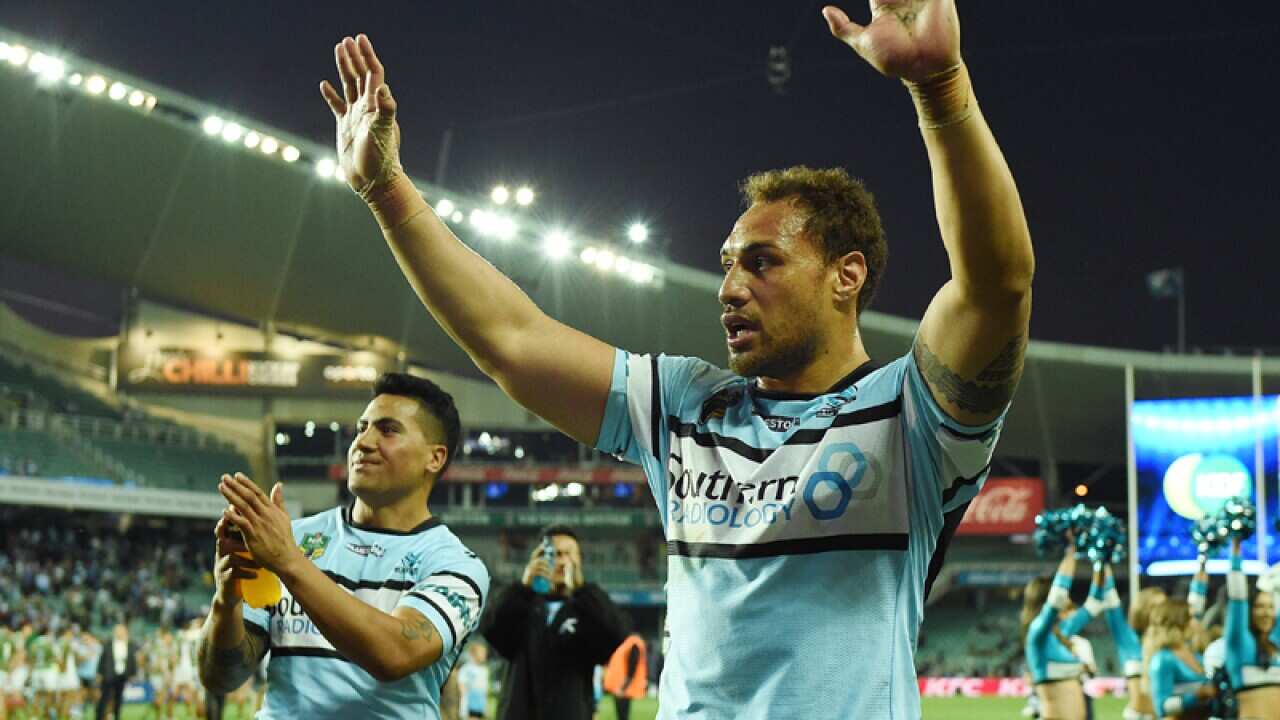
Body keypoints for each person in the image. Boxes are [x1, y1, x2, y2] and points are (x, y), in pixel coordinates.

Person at [322, 0, 1033, 714]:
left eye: (762, 263)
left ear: (846, 276)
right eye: (726, 264)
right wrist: (387, 190)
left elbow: (996, 286)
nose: (729, 288)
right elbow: (514, 341)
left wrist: (940, 89)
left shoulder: (909, 415)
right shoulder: (687, 404)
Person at [198, 372, 489, 719]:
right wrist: (226, 601)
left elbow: (394, 654)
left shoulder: (457, 566)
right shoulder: (294, 539)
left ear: (435, 458)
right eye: (362, 427)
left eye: (388, 429)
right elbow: (221, 677)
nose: (363, 442)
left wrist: (290, 563)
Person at [479, 526, 629, 720]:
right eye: (555, 554)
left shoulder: (586, 609)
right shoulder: (522, 605)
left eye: (568, 554)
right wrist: (523, 588)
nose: (562, 561)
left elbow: (615, 635)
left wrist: (581, 590)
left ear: (579, 560)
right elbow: (490, 629)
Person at [1021, 540, 1106, 720]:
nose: (1068, 598)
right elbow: (1058, 598)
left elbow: (1095, 604)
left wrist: (1100, 562)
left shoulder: (1062, 630)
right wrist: (1071, 551)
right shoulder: (1037, 635)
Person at [1224, 537, 1280, 719]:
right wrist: (1236, 547)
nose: (1266, 613)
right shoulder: (1240, 643)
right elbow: (1237, 596)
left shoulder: (1275, 646)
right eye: (1259, 606)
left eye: (1270, 607)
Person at [1143, 599, 1215, 719]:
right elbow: (1161, 707)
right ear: (1178, 622)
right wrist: (1197, 696)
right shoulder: (1162, 659)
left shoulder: (1196, 654)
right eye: (1192, 617)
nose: (1196, 622)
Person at [96, 623, 138, 720]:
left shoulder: (129, 644)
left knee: (118, 699)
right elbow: (102, 659)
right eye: (118, 631)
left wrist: (133, 673)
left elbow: (132, 660)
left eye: (122, 631)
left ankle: (116, 717)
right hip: (109, 675)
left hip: (122, 675)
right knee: (105, 698)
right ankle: (99, 717)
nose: (120, 633)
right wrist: (99, 673)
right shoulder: (108, 644)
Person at [603, 633, 648, 720]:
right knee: (621, 715)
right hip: (618, 684)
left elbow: (633, 664)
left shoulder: (632, 643)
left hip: (622, 685)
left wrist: (625, 684)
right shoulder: (625, 643)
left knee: (623, 715)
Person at [456, 642, 491, 719]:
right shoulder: (467, 668)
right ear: (473, 654)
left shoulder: (484, 670)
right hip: (470, 701)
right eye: (481, 652)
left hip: (480, 701)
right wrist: (464, 701)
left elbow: (484, 688)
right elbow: (461, 684)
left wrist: (486, 705)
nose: (484, 655)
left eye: (484, 653)